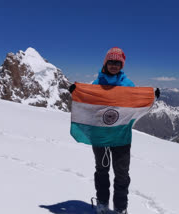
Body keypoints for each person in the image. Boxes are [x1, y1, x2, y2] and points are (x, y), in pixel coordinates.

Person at [69, 47, 160, 214]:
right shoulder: (96, 85)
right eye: (111, 61)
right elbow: (87, 103)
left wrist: (151, 95)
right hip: (101, 136)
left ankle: (120, 208)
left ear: (121, 65)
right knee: (102, 171)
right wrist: (76, 92)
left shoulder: (128, 86)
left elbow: (138, 100)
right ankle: (102, 204)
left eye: (117, 62)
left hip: (121, 137)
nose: (114, 65)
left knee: (122, 174)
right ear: (105, 63)